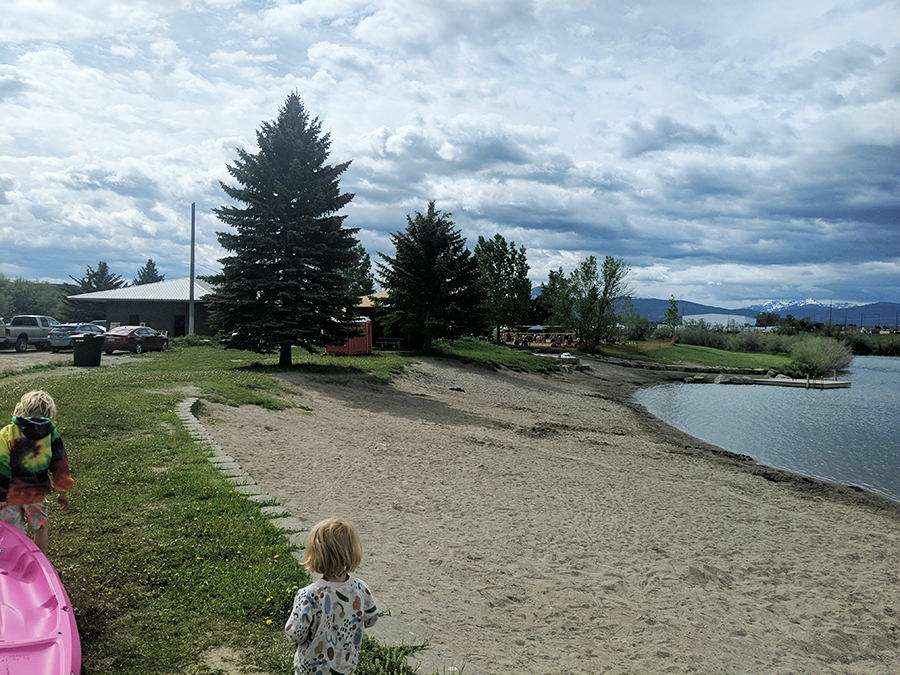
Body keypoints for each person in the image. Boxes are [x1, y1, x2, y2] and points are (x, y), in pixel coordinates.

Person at [285, 518, 378, 675]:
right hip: (346, 666)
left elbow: (294, 633)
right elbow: (371, 618)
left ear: (315, 553)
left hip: (312, 668)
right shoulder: (360, 588)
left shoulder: (309, 594)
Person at [0, 390, 73, 556]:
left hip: (10, 497)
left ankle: (14, 565)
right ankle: (40, 566)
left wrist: (1, 495)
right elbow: (60, 465)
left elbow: (1, 466)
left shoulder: (7, 433)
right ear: (50, 413)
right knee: (40, 528)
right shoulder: (51, 435)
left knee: (12, 533)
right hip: (36, 495)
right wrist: (63, 493)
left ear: (22, 409)